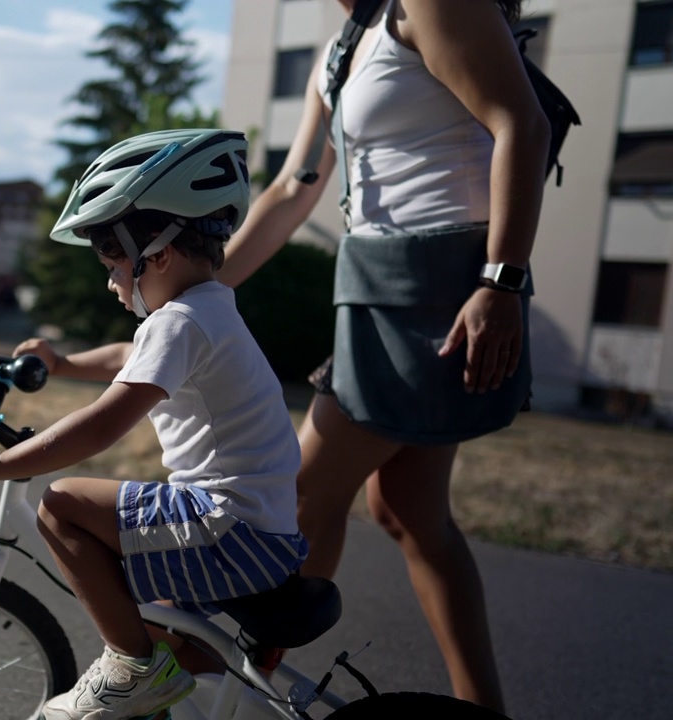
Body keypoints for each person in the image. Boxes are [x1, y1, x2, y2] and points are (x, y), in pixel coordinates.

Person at [215, 0, 551, 713]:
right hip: (372, 292)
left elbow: (521, 122)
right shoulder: (343, 46)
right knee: (407, 511)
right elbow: (292, 188)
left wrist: (502, 280)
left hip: (441, 296)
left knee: (301, 490)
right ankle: (481, 707)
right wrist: (194, 294)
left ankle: (243, 683)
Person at [0, 128, 308, 720]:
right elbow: (125, 356)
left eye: (112, 262)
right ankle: (216, 695)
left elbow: (101, 427)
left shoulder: (178, 325)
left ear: (159, 254)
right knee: (159, 621)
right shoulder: (205, 310)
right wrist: (62, 363)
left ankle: (131, 669)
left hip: (227, 531)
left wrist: (0, 464)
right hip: (266, 535)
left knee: (61, 505)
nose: (110, 279)